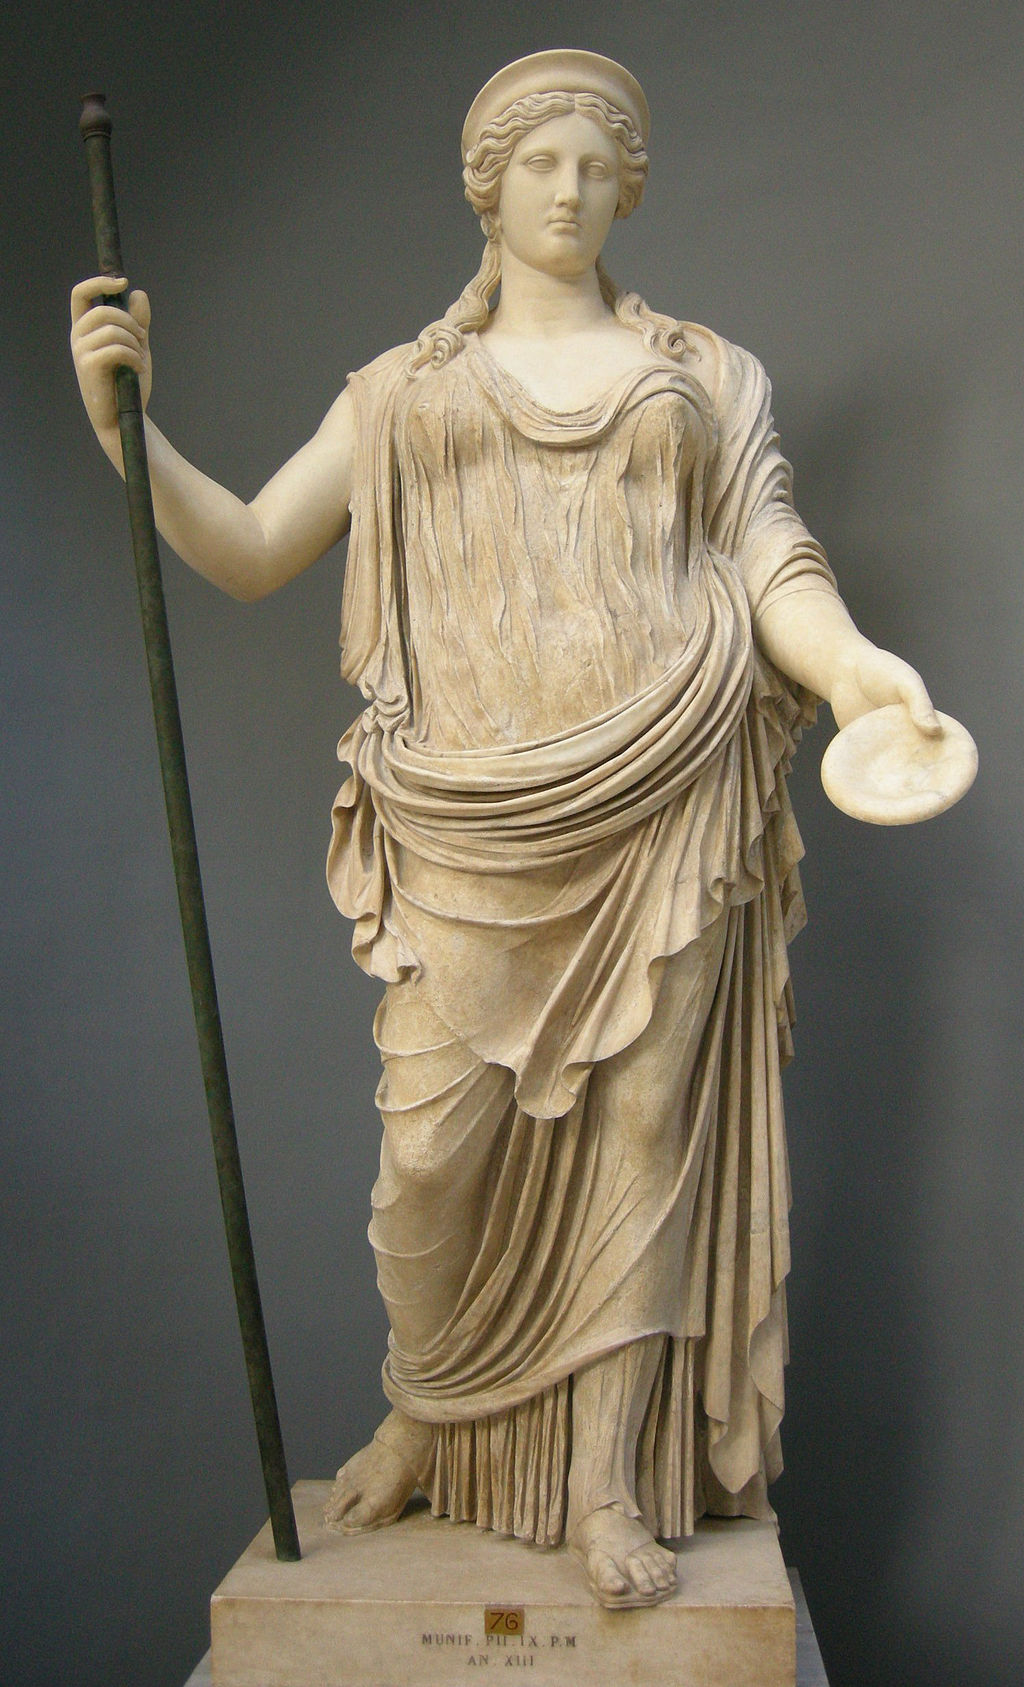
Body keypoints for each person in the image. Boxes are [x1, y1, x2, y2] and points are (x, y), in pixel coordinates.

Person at [71, 51, 940, 1609]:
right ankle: (429, 1405)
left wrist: (858, 667)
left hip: (665, 792)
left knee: (645, 1149)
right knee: (430, 1163)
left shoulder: (704, 375)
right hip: (470, 820)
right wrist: (127, 434)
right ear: (487, 187)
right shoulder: (404, 391)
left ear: (629, 190)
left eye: (598, 165)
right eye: (540, 162)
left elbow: (770, 555)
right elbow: (257, 547)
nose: (568, 189)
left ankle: (605, 1483)